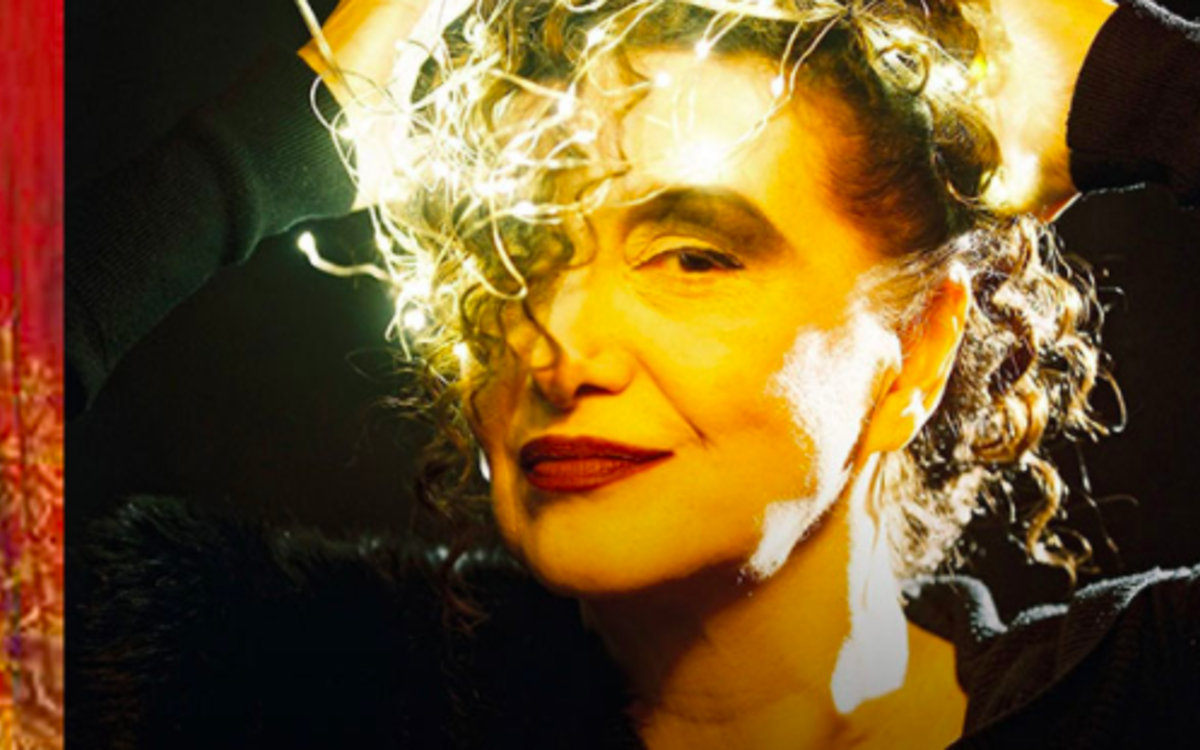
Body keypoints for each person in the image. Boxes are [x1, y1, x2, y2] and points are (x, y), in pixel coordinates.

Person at [66, 0, 1200, 748]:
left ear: (915, 351)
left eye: (694, 257)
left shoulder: (1137, 707)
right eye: (516, 254)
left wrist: (1143, 86)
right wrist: (286, 132)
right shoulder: (275, 682)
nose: (563, 349)